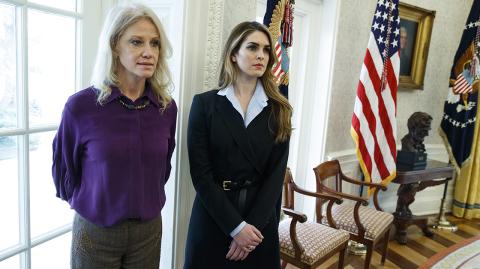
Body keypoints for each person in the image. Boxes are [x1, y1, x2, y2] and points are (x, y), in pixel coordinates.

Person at [52, 3, 177, 268]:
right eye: (136, 42)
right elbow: (65, 170)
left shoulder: (166, 108)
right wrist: (94, 203)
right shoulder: (81, 107)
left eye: (155, 43)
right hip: (96, 232)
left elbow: (162, 168)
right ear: (114, 46)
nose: (148, 52)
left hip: (148, 231)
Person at [184, 21, 292, 268]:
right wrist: (236, 228)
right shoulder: (205, 105)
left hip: (259, 223)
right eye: (252, 47)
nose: (261, 55)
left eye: (266, 50)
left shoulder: (280, 110)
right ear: (233, 54)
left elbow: (276, 177)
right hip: (213, 217)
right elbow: (201, 175)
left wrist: (248, 233)